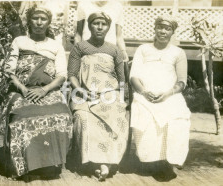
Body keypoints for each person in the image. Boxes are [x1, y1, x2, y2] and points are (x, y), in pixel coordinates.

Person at [0, 6, 73, 179]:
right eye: (35, 18)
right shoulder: (19, 41)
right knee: (21, 115)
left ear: (48, 22)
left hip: (48, 90)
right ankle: (24, 165)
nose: (39, 23)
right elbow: (9, 71)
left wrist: (44, 90)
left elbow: (62, 75)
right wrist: (24, 90)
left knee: (61, 113)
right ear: (29, 21)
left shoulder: (55, 46)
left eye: (43, 19)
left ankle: (49, 163)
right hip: (21, 90)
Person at [68, 12, 129, 181]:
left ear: (109, 27)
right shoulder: (80, 48)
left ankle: (107, 163)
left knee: (118, 118)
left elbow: (122, 79)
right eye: (96, 23)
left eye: (104, 24)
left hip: (110, 94)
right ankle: (94, 162)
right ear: (89, 26)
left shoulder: (114, 50)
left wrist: (124, 98)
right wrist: (79, 90)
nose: (100, 27)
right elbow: (72, 74)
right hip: (85, 93)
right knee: (83, 118)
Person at [129, 16, 191, 180]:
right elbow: (133, 76)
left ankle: (171, 160)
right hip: (144, 94)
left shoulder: (178, 52)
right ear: (155, 29)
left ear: (172, 32)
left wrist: (167, 94)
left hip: (169, 95)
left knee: (179, 117)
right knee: (146, 116)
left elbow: (182, 82)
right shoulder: (143, 49)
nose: (163, 31)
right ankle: (153, 161)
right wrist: (143, 91)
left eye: (167, 28)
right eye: (160, 27)